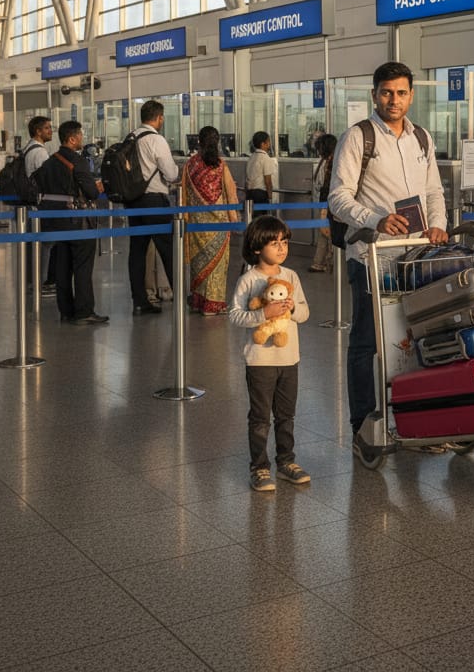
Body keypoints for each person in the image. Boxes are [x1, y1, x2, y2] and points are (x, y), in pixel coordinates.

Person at [327, 60, 447, 450]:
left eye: (400, 93)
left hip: (415, 256)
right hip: (370, 256)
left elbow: (433, 192)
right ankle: (364, 426)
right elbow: (338, 197)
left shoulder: (422, 139)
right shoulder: (359, 137)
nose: (393, 100)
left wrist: (438, 223)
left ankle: (416, 421)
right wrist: (377, 219)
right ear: (374, 94)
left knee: (415, 339)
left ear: (411, 95)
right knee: (367, 342)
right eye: (386, 92)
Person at [229, 215, 311, 492]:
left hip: (289, 358)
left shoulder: (291, 277)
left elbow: (305, 311)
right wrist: (263, 313)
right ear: (256, 247)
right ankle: (260, 466)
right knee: (261, 416)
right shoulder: (248, 280)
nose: (281, 248)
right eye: (274, 243)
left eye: (284, 242)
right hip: (260, 360)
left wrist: (291, 310)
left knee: (286, 414)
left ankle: (286, 461)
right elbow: (235, 315)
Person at [33, 120, 107, 326]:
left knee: (63, 265)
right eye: (80, 135)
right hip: (77, 221)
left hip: (55, 220)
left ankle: (65, 311)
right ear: (72, 139)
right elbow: (91, 192)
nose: (82, 139)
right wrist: (97, 188)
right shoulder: (78, 161)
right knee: (82, 266)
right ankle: (84, 311)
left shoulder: (50, 161)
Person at [127, 99, 179, 315]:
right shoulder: (156, 140)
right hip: (154, 200)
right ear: (158, 118)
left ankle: (140, 301)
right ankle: (179, 295)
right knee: (167, 249)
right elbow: (171, 174)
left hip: (133, 199)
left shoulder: (130, 138)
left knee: (137, 251)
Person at [182, 125, 238, 315]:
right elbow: (231, 192)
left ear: (199, 141)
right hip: (220, 224)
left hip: (197, 224)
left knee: (199, 264)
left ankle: (199, 302)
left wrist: (185, 219)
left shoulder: (190, 165)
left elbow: (184, 194)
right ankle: (213, 304)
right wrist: (234, 218)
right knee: (218, 264)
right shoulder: (220, 165)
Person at [24, 116, 56, 295]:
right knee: (44, 246)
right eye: (47, 128)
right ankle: (40, 283)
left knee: (35, 246)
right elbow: (47, 179)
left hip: (31, 203)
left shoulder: (29, 147)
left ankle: (33, 282)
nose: (50, 131)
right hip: (39, 204)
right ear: (38, 131)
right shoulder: (40, 152)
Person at [309, 132, 337, 273]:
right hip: (328, 202)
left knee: (325, 233)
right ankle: (327, 262)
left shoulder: (324, 163)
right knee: (328, 233)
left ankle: (320, 262)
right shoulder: (331, 162)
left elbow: (319, 184)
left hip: (325, 202)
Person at [245, 131, 277, 204]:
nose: (269, 144)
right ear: (263, 144)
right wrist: (270, 197)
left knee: (251, 215)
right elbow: (268, 181)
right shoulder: (265, 158)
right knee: (262, 215)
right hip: (260, 194)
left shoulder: (251, 157)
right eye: (268, 141)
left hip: (249, 193)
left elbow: (247, 179)